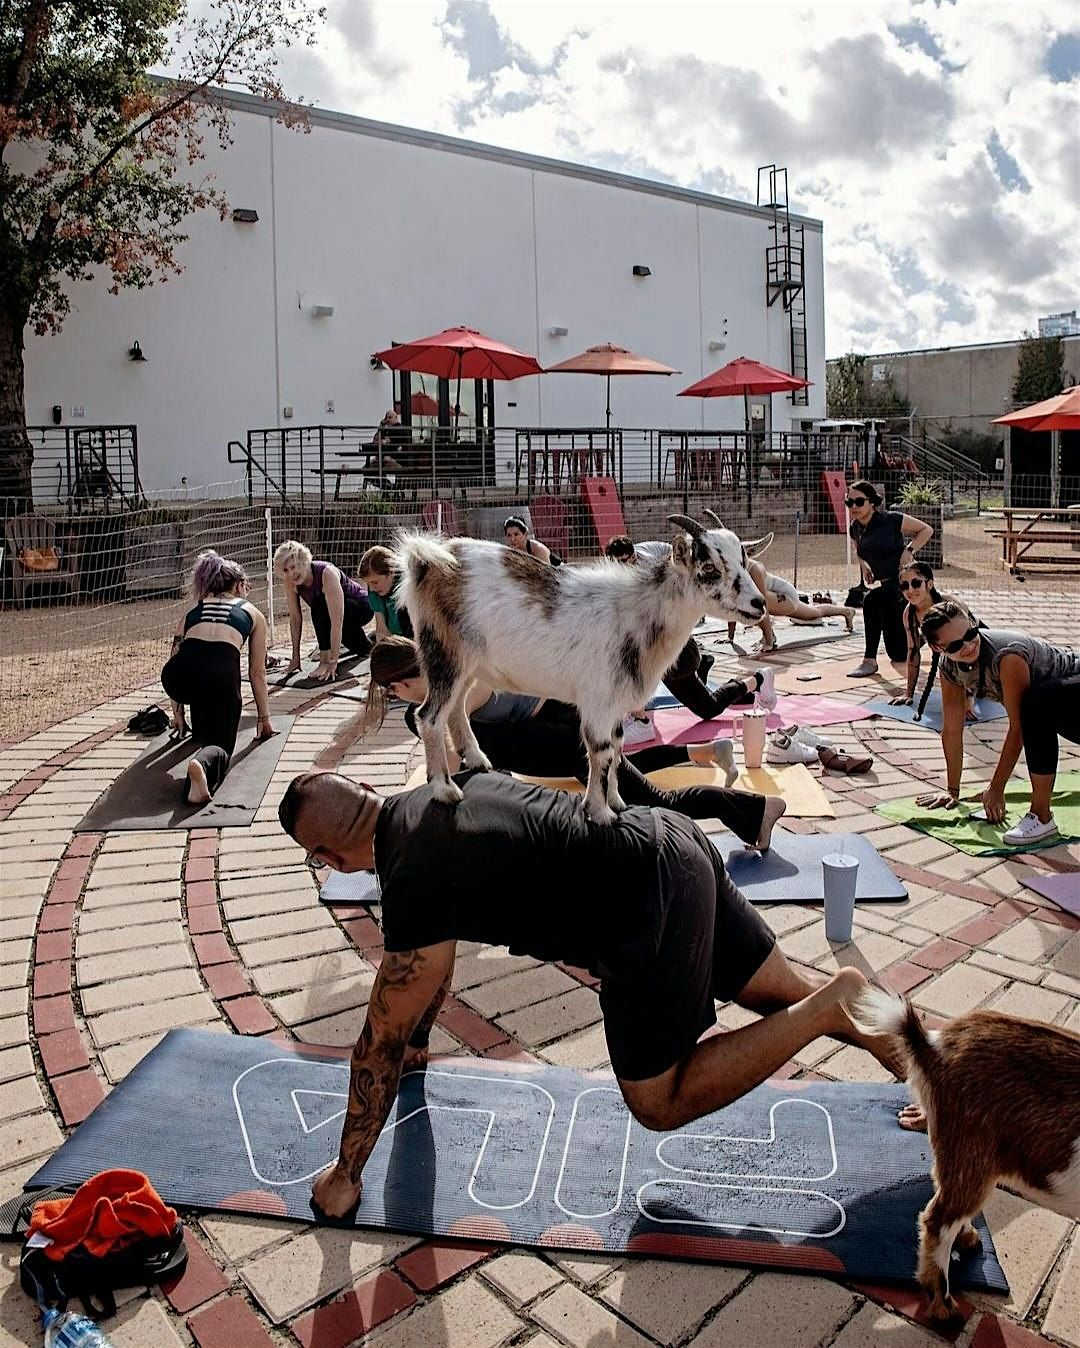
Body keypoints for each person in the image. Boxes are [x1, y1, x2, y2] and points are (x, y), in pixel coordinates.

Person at [278, 769, 899, 1220]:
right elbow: (429, 976)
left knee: (659, 1099)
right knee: (778, 995)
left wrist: (345, 1174)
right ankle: (929, 1069)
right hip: (672, 839)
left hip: (639, 908)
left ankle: (828, 1007)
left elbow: (376, 1042)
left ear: (325, 855)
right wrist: (420, 1041)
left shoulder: (411, 876)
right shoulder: (440, 789)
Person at [360, 636, 787, 850]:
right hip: (563, 735)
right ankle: (751, 811)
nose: (398, 700)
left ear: (401, 682)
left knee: (656, 802)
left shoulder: (455, 687)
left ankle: (756, 810)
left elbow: (454, 766)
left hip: (568, 737)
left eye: (395, 691)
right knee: (643, 799)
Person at [915, 601, 1080, 845]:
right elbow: (951, 729)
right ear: (937, 648)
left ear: (974, 623)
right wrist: (952, 791)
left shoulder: (1007, 656)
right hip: (1064, 708)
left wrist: (996, 788)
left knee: (1035, 706)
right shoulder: (949, 668)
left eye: (971, 634)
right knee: (1037, 710)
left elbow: (1017, 729)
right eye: (956, 645)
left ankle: (1041, 816)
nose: (969, 645)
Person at [603, 535, 777, 720]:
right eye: (618, 563)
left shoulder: (648, 569)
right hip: (668, 653)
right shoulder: (612, 578)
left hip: (676, 654)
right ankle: (753, 680)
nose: (625, 567)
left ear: (635, 556)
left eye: (628, 561)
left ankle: (641, 720)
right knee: (708, 709)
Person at [161, 551, 275, 804]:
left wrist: (178, 713)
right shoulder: (252, 613)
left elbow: (175, 656)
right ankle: (201, 766)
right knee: (220, 744)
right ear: (237, 585)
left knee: (203, 727)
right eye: (246, 586)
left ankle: (200, 740)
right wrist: (264, 718)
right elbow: (257, 672)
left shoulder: (195, 609)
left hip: (178, 677)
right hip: (219, 677)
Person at [845, 480, 933, 678]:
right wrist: (865, 566)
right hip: (886, 585)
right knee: (898, 654)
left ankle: (869, 660)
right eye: (849, 503)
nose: (854, 507)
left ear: (872, 503)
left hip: (904, 584)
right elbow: (858, 550)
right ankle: (919, 638)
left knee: (871, 600)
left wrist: (908, 550)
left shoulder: (891, 519)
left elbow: (926, 530)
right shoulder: (855, 528)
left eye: (859, 502)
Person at [887, 562, 980, 722]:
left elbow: (969, 643)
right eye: (904, 586)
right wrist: (908, 693)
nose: (910, 590)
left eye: (916, 583)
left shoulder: (950, 603)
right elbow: (913, 652)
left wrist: (968, 696)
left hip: (976, 638)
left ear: (929, 584)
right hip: (953, 646)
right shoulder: (909, 613)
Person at [273, 540, 373, 682]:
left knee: (319, 605)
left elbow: (336, 621)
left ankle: (323, 659)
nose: (291, 573)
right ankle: (369, 642)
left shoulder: (326, 573)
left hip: (361, 607)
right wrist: (295, 658)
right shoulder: (290, 581)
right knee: (363, 650)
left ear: (303, 561)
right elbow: (295, 619)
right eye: (286, 570)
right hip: (336, 615)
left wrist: (331, 663)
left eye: (293, 567)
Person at [358, 545, 413, 640]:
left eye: (375, 582)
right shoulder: (375, 590)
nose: (371, 588)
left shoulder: (409, 584)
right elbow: (381, 627)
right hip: (394, 635)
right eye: (369, 584)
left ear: (391, 572)